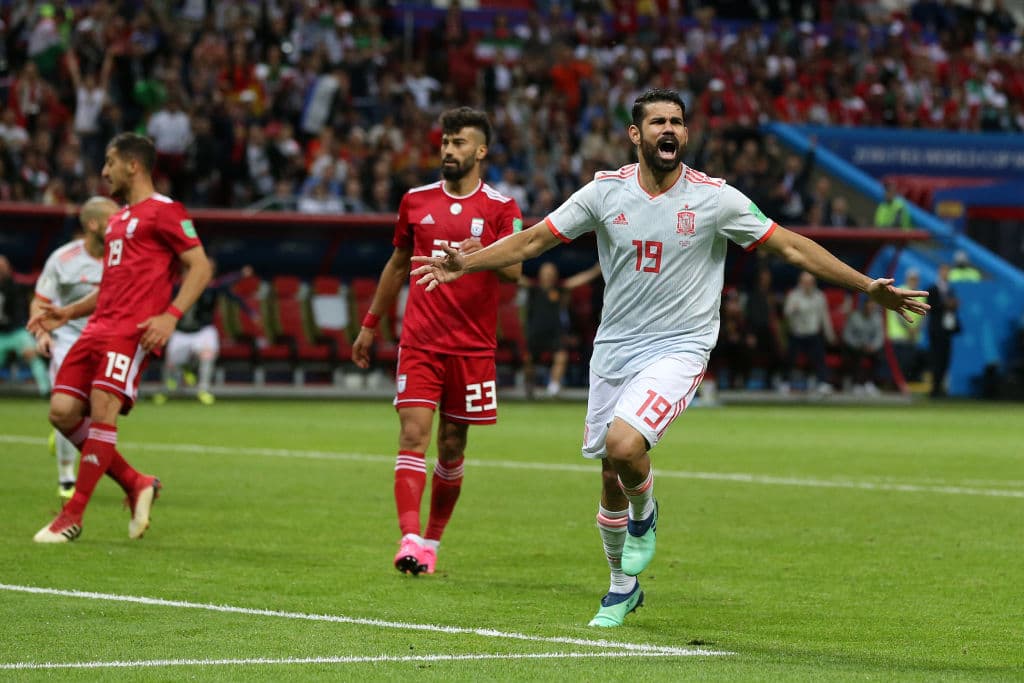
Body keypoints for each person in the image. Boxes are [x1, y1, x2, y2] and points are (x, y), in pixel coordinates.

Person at [411, 89, 929, 627]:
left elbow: (792, 246)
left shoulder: (716, 199)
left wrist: (868, 285)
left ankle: (646, 515)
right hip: (614, 349)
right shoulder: (603, 193)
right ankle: (621, 586)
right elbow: (534, 241)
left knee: (624, 444)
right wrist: (465, 265)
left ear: (686, 134)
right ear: (635, 134)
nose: (669, 130)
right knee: (610, 472)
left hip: (680, 347)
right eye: (657, 121)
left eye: (677, 122)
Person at [351, 107, 524, 576]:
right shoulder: (416, 201)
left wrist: (475, 253)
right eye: (446, 142)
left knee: (451, 445)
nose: (449, 151)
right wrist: (370, 324)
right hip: (421, 340)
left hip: (471, 347)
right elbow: (397, 264)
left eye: (460, 143)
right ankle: (408, 539)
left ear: (481, 151)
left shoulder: (501, 208)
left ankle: (431, 541)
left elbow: (514, 270)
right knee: (412, 434)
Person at [27, 132, 213, 543]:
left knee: (103, 409)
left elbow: (200, 267)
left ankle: (72, 515)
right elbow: (111, 282)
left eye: (110, 162)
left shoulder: (165, 211)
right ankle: (135, 482)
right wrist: (69, 312)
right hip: (95, 328)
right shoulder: (117, 221)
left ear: (133, 164)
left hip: (130, 332)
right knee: (61, 412)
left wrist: (170, 316)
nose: (104, 170)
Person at [30, 196, 116, 500]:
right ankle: (66, 476)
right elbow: (41, 300)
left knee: (94, 414)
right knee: (68, 405)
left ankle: (63, 432)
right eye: (112, 220)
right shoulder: (63, 259)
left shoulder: (124, 258)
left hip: (106, 340)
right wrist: (41, 332)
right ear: (92, 225)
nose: (119, 225)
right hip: (68, 338)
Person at [154, 259, 254, 406]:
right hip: (181, 331)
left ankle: (203, 389)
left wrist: (250, 310)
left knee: (207, 353)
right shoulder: (176, 288)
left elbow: (230, 290)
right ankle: (168, 388)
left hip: (203, 330)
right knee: (172, 364)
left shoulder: (211, 288)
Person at [522, 261, 602, 398]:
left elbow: (579, 280)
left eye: (551, 273)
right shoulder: (533, 288)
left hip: (554, 334)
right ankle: (529, 384)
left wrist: (596, 270)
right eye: (546, 273)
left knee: (561, 357)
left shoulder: (560, 289)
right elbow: (516, 278)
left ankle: (553, 387)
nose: (548, 275)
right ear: (540, 275)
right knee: (528, 361)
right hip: (535, 334)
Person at [1, 255, 51, 395]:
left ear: (8, 269)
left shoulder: (16, 287)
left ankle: (45, 391)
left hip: (17, 332)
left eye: (2, 267)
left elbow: (24, 313)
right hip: (0, 335)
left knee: (32, 354)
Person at [783, 271, 837, 394]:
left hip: (812, 335)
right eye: (805, 282)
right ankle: (785, 382)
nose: (808, 285)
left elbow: (825, 317)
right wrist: (793, 309)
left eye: (810, 282)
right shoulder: (793, 296)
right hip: (796, 335)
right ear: (800, 283)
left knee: (819, 357)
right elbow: (786, 314)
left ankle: (823, 383)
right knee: (789, 358)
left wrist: (830, 335)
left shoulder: (820, 296)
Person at [926, 263, 960, 398]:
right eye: (944, 271)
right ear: (939, 272)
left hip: (947, 330)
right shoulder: (932, 289)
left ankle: (940, 387)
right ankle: (934, 389)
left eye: (948, 271)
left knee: (945, 359)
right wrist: (944, 304)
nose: (946, 274)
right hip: (936, 329)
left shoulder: (951, 290)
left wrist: (954, 305)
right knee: (936, 358)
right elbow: (930, 307)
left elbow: (951, 309)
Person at [841, 296, 885, 395]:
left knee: (880, 356)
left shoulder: (877, 318)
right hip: (855, 346)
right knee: (856, 357)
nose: (870, 308)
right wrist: (857, 345)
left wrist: (873, 346)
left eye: (872, 306)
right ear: (864, 306)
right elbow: (847, 335)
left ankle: (870, 383)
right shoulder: (854, 316)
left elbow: (879, 336)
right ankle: (857, 384)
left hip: (870, 347)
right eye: (869, 306)